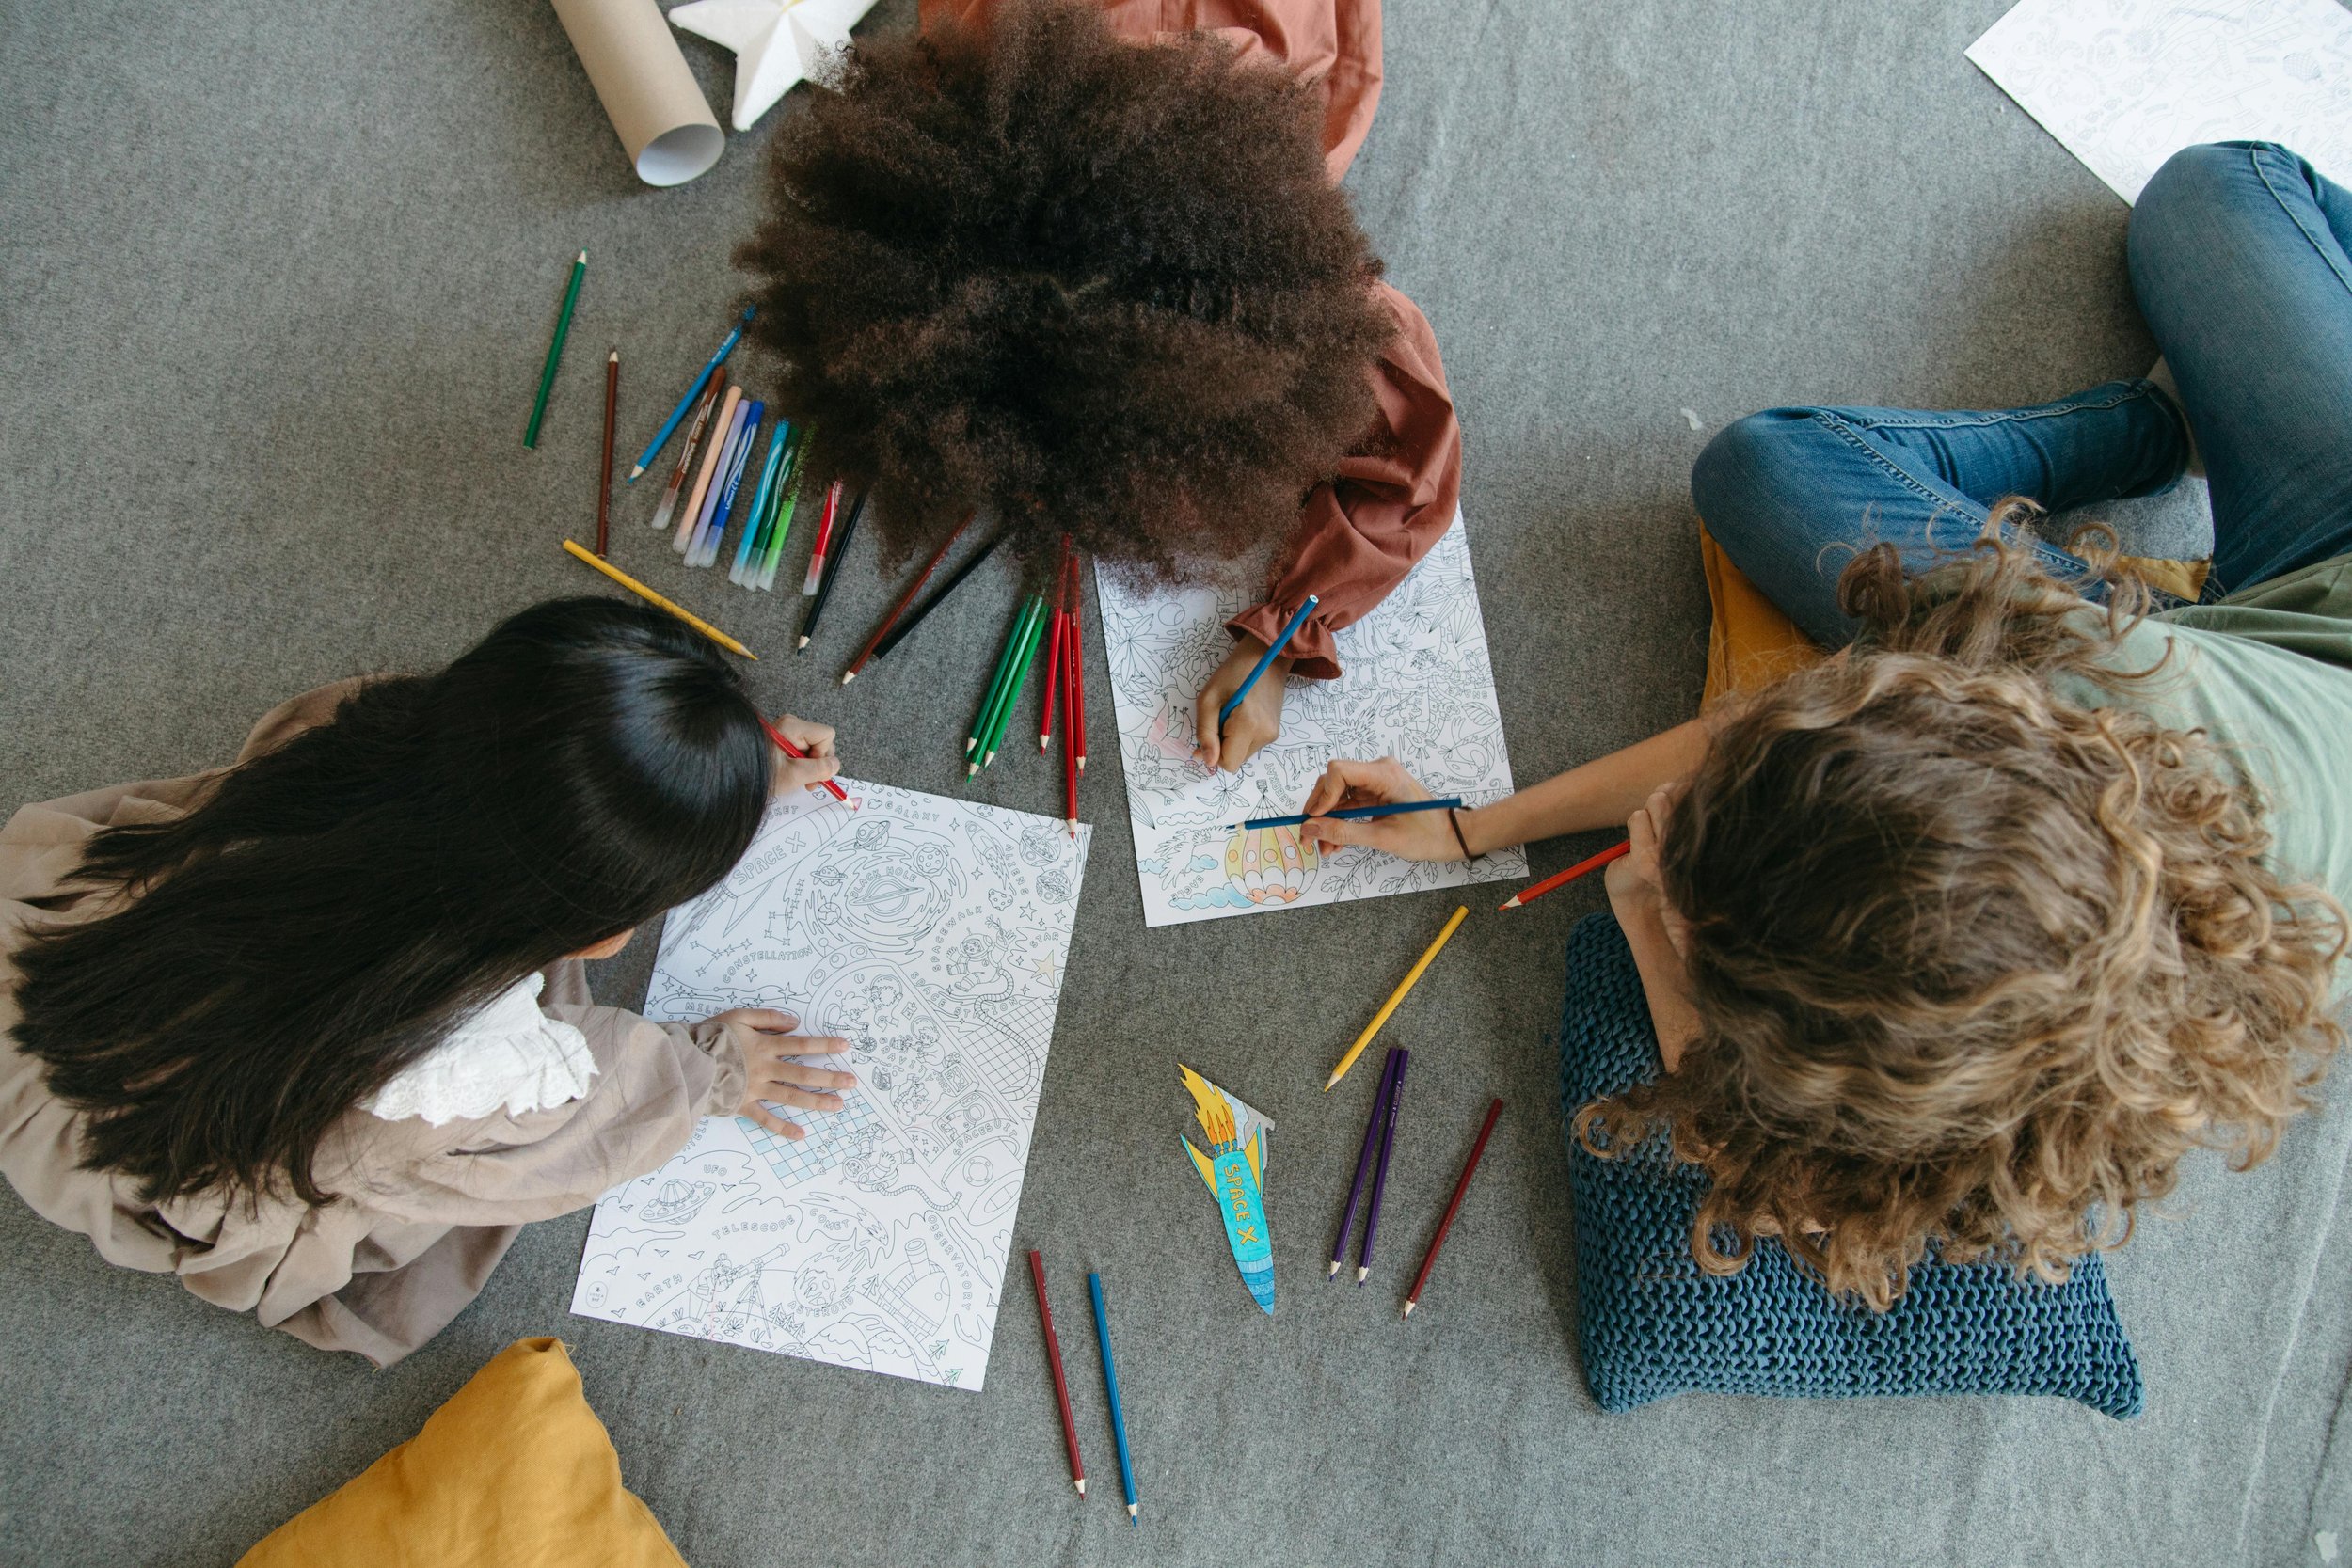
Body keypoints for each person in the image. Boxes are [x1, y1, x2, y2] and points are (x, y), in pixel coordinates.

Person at [1294, 142, 2352, 1307]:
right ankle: (2140, 429)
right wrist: (1471, 827)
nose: (1662, 819)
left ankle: (2159, 428)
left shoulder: (2036, 1093)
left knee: (2215, 199)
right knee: (2208, 189)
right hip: (2293, 596)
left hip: (2217, 665)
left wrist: (1649, 922)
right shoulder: (2070, 698)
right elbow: (1779, 742)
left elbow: (1783, 1191)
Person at [0, 598, 855, 1365]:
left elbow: (563, 765)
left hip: (65, 980)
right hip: (195, 1144)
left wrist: (718, 777)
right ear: (602, 931)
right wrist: (720, 1064)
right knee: (488, 1158)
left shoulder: (365, 733)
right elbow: (605, 1113)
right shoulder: (463, 1076)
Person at [735, 0, 1461, 773]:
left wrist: (1282, 639)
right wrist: (1277, 637)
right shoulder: (971, 97)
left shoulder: (1272, 297)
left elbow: (1413, 447)